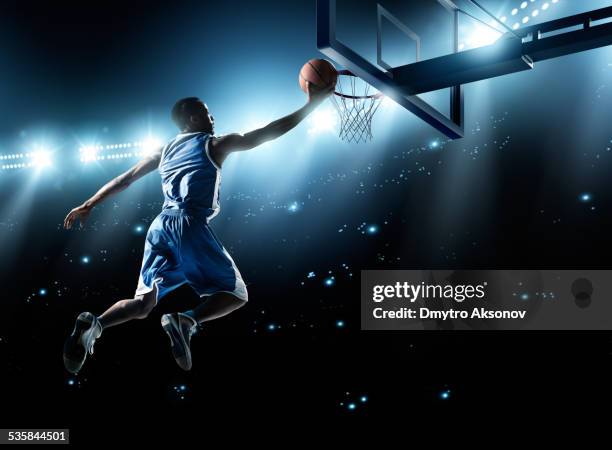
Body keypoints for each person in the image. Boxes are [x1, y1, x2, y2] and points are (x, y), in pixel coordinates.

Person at [62, 82, 333, 373]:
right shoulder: (214, 143)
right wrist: (311, 105)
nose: (213, 119)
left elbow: (125, 179)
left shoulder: (163, 151)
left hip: (160, 226)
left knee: (143, 304)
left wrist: (89, 203)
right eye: (207, 113)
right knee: (236, 294)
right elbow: (266, 133)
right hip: (188, 223)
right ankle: (186, 320)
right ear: (193, 118)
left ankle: (96, 324)